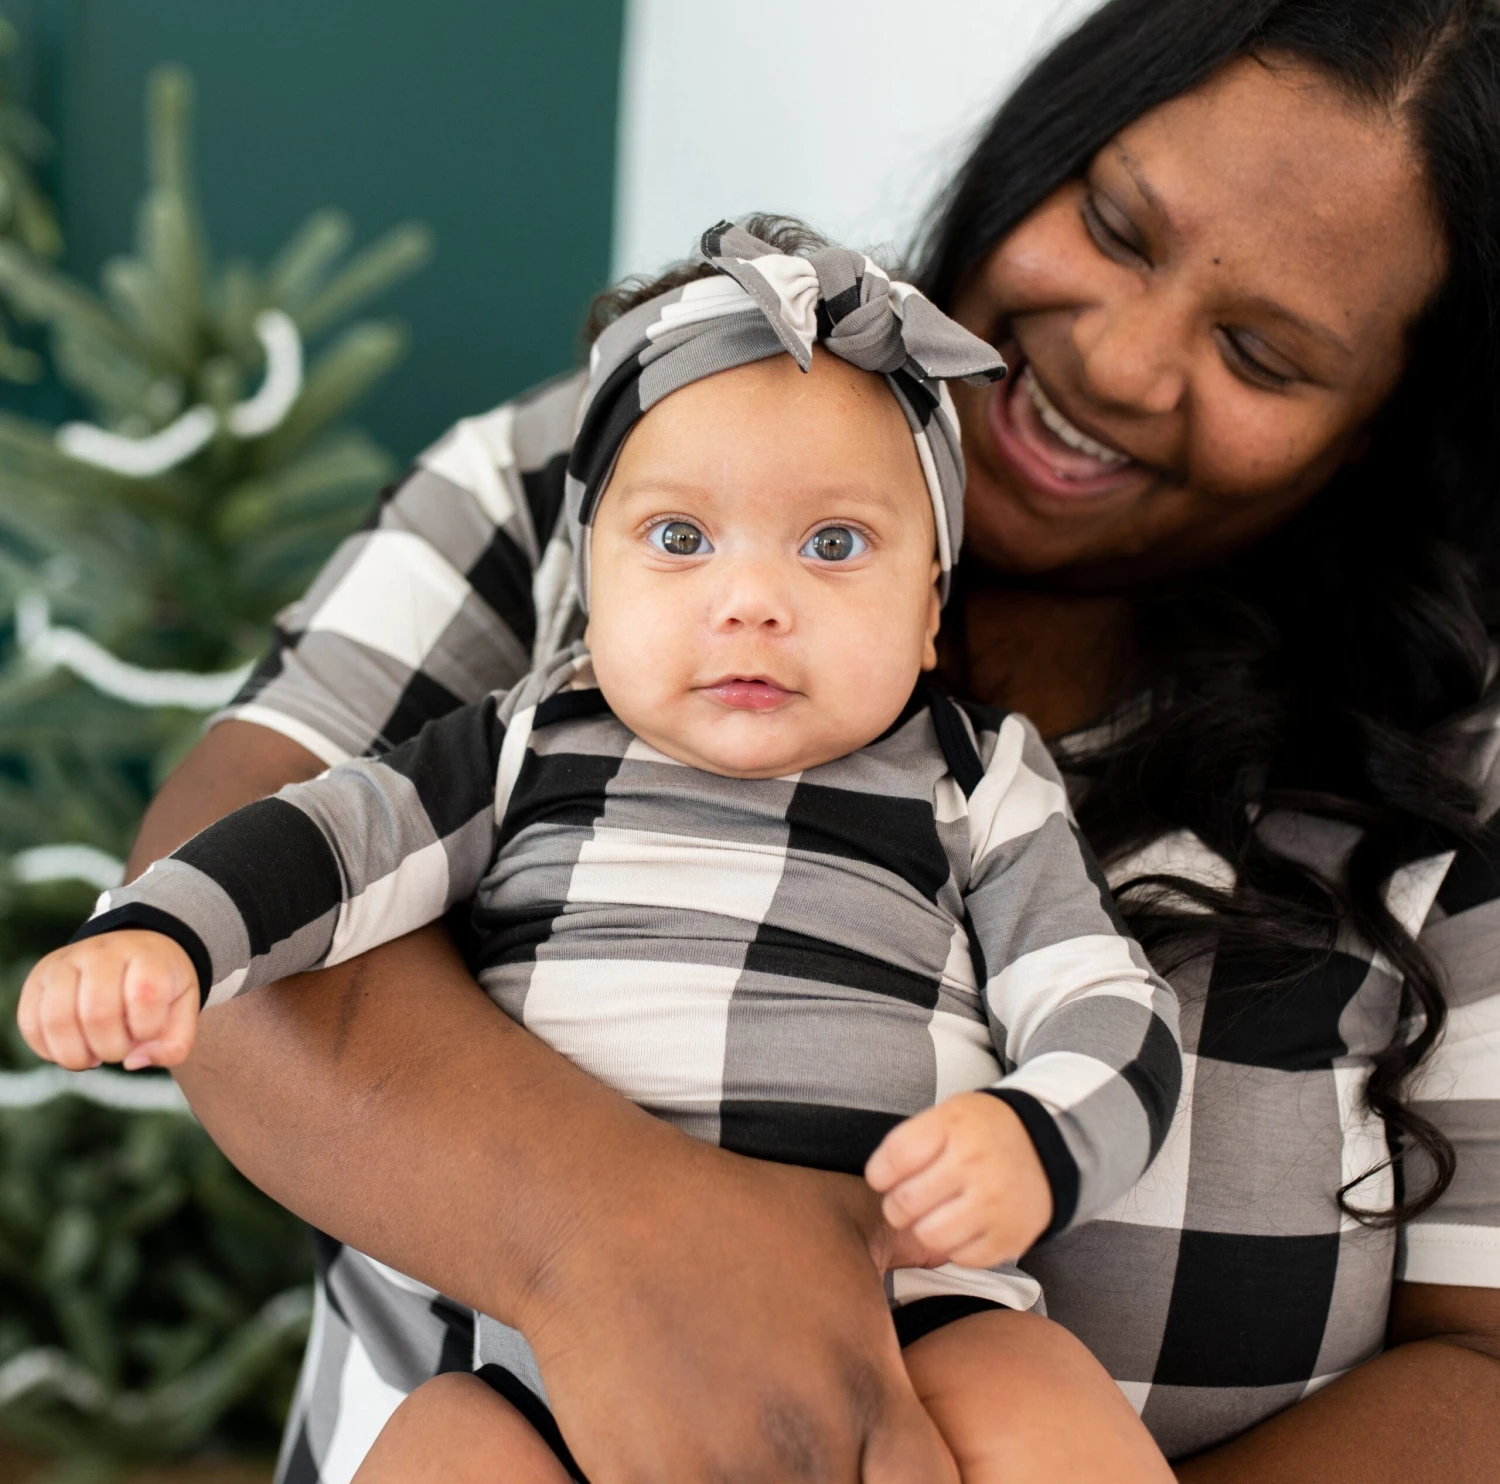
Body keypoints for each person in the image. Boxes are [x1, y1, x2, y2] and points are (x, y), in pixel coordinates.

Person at [98, 0, 1500, 1478]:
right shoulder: (628, 473)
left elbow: (1479, 1370)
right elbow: (240, 862)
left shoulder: (1446, 738)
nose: (1121, 361)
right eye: (1113, 224)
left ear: (1385, 423)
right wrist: (603, 1236)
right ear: (1039, 146)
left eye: (1264, 357)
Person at [20, 222, 1184, 1484]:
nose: (750, 600)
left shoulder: (977, 779)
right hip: (538, 1351)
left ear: (929, 611)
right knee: (437, 1452)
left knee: (1041, 1412)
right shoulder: (525, 745)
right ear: (590, 581)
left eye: (834, 545)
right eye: (679, 540)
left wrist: (1037, 1139)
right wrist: (168, 932)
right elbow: (324, 844)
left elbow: (1103, 1003)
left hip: (910, 1302)